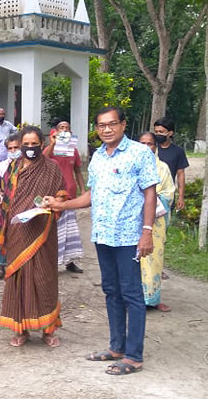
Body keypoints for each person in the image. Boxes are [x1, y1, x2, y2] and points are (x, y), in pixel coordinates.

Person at [50, 107, 157, 375]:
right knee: (111, 290)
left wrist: (147, 231)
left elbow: (150, 193)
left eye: (112, 124)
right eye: (101, 125)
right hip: (103, 234)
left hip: (129, 236)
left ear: (123, 124)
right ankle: (117, 347)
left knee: (131, 293)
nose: (106, 130)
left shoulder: (140, 153)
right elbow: (92, 195)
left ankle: (134, 356)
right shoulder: (98, 156)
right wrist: (64, 205)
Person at [0, 126, 66, 347]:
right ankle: (21, 329)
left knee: (44, 277)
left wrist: (53, 203)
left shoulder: (52, 168)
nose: (29, 148)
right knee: (19, 278)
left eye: (34, 144)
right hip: (18, 230)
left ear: (42, 144)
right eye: (25, 144)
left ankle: (48, 329)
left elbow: (61, 195)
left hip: (43, 231)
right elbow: (5, 197)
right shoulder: (13, 168)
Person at [137, 132, 175, 312]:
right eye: (142, 143)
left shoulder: (163, 168)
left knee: (154, 257)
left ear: (155, 146)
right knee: (133, 257)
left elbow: (169, 192)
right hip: (134, 219)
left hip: (157, 220)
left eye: (150, 144)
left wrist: (153, 201)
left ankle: (153, 297)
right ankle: (134, 298)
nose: (146, 147)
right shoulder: (131, 165)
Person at [43, 119, 85, 273]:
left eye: (67, 128)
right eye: (61, 127)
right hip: (55, 195)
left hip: (70, 195)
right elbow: (43, 160)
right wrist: (52, 144)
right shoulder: (51, 149)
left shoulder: (73, 150)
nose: (65, 130)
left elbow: (78, 171)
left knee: (70, 230)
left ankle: (70, 261)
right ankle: (51, 262)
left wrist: (82, 189)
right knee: (54, 229)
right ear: (55, 131)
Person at [0, 133, 22, 279]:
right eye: (10, 148)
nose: (13, 151)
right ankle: (1, 265)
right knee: (3, 235)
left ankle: (18, 265)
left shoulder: (27, 165)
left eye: (16, 148)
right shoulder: (3, 166)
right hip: (5, 205)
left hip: (23, 206)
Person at [153, 117, 188, 211]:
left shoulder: (178, 152)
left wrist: (181, 196)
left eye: (161, 132)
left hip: (166, 195)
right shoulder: (151, 149)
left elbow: (180, 174)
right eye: (156, 132)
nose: (158, 134)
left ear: (170, 133)